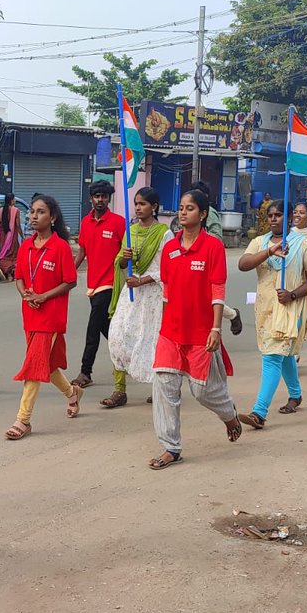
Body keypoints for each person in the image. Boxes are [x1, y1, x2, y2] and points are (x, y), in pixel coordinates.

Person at [148, 188, 243, 470]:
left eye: (190, 208)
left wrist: (216, 328)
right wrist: (162, 325)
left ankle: (229, 415)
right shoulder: (169, 248)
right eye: (181, 207)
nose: (182, 212)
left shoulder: (213, 247)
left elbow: (217, 291)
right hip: (171, 333)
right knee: (165, 388)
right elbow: (166, 291)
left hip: (201, 332)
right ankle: (170, 447)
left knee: (203, 391)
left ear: (202, 214)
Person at [237, 201, 307, 428]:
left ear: (289, 218)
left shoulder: (304, 245)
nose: (274, 219)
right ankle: (295, 394)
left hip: (289, 307)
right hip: (265, 308)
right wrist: (268, 252)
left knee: (272, 356)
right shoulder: (259, 242)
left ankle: (259, 412)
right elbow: (243, 264)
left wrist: (293, 295)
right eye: (270, 215)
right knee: (282, 353)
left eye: (279, 215)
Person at [5, 194, 81, 441]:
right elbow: (18, 277)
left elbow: (70, 280)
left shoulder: (60, 247)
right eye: (32, 212)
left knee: (33, 366)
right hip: (30, 313)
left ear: (53, 217)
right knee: (46, 367)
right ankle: (72, 394)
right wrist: (26, 294)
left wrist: (44, 296)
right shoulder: (26, 246)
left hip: (51, 316)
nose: (33, 216)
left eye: (40, 212)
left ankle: (23, 420)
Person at [101, 186, 173, 409]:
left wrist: (142, 281)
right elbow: (120, 264)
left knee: (152, 341)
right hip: (131, 293)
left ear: (154, 206)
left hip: (153, 294)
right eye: (136, 203)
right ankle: (119, 390)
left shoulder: (164, 233)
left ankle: (157, 387)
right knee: (118, 336)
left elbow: (169, 268)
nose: (138, 208)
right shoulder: (129, 231)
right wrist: (124, 258)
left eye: (143, 203)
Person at [71, 180, 127, 390]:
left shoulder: (119, 223)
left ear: (109, 198)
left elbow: (127, 253)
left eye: (104, 196)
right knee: (109, 329)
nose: (100, 200)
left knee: (93, 328)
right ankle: (127, 357)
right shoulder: (86, 223)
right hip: (92, 285)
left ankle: (86, 371)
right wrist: (69, 273)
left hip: (110, 284)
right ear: (91, 199)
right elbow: (82, 252)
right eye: (97, 196)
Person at [191, 181, 244, 336]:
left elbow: (217, 237)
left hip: (206, 259)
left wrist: (199, 240)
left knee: (206, 296)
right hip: (190, 258)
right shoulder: (188, 213)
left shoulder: (210, 214)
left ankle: (232, 315)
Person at [0, 192, 22, 280]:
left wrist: (4, 227)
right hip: (12, 237)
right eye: (14, 199)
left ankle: (2, 269)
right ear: (11, 200)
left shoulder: (1, 210)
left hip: (3, 236)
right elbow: (18, 225)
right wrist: (22, 236)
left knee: (4, 254)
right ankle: (10, 275)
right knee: (13, 254)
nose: (15, 200)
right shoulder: (16, 210)